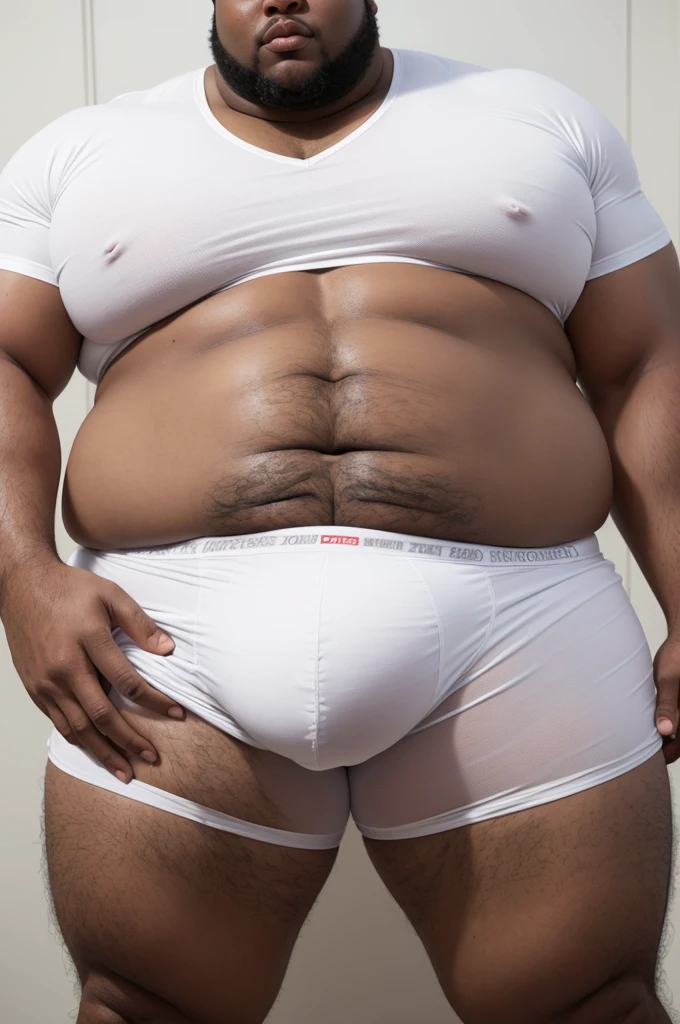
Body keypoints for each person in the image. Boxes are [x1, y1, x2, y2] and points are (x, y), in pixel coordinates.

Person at [0, 0, 678, 1020]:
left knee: (592, 1006)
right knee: (139, 1006)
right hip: (174, 629)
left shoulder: (535, 120)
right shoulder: (81, 153)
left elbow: (643, 367)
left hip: (516, 626)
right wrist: (24, 574)